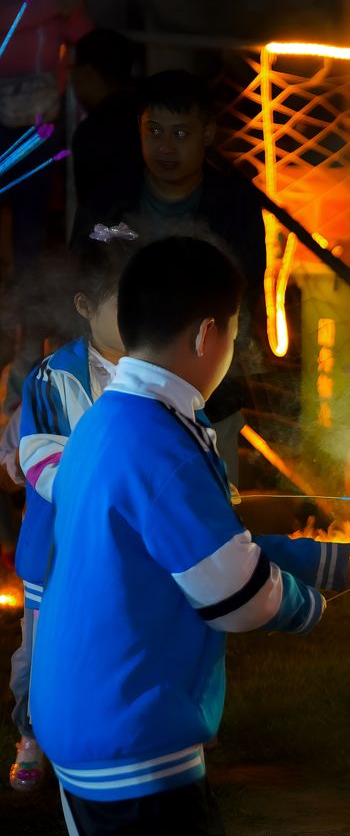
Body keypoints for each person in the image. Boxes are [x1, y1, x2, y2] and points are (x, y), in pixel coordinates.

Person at [29, 236, 350, 835]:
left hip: (80, 715)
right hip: (132, 735)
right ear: (207, 335)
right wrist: (311, 604)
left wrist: (324, 561)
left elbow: (197, 546)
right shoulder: (160, 443)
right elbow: (235, 597)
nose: (233, 351)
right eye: (235, 337)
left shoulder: (111, 417)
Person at [71, 69, 268, 484]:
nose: (164, 146)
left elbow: (243, 287)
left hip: (210, 394)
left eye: (181, 134)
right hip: (115, 389)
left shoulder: (234, 205)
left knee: (212, 504)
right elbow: (79, 272)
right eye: (154, 130)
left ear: (208, 134)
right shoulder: (110, 199)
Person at [8, 224, 138, 792]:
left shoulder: (155, 373)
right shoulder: (53, 378)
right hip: (59, 552)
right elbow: (40, 462)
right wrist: (108, 490)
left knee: (115, 642)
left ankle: (113, 733)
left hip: (125, 549)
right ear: (85, 306)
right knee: (42, 653)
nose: (139, 313)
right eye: (122, 301)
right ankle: (32, 733)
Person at [0, 0, 89, 265]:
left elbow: (79, 32)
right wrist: (53, 7)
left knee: (32, 212)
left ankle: (27, 311)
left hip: (41, 116)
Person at [70, 28, 140, 213]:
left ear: (87, 72)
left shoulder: (92, 133)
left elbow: (92, 209)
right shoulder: (150, 117)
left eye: (72, 69)